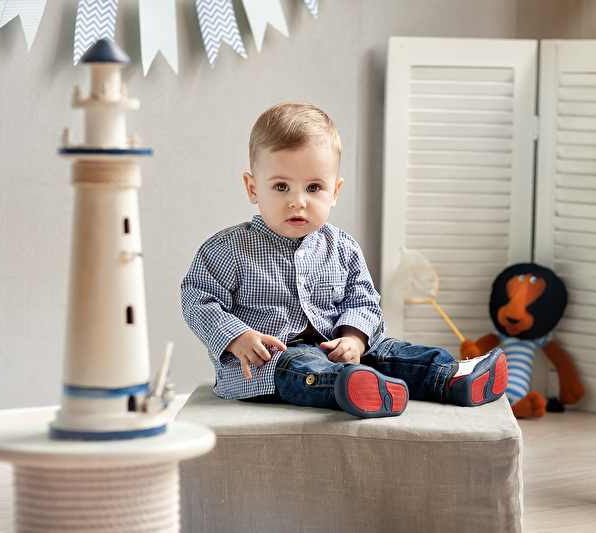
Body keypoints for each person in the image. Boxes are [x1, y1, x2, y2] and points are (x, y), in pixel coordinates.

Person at [181, 102, 507, 418]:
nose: (298, 201)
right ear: (253, 188)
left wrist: (354, 339)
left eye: (313, 187)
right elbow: (197, 299)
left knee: (392, 353)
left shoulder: (343, 247)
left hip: (339, 348)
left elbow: (363, 300)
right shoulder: (228, 248)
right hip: (270, 362)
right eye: (281, 186)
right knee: (299, 367)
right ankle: (349, 387)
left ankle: (451, 377)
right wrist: (237, 337)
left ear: (334, 192)